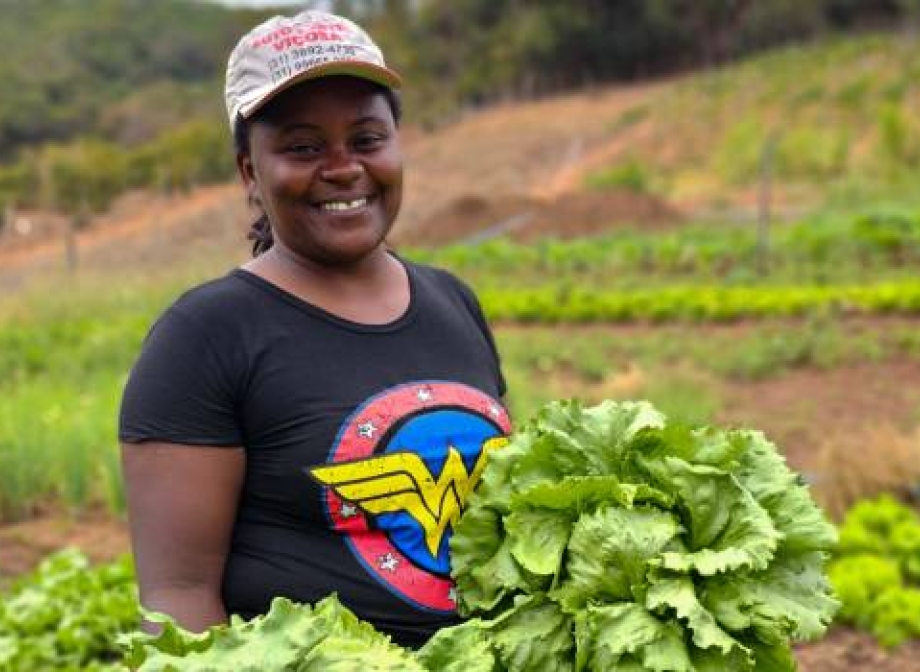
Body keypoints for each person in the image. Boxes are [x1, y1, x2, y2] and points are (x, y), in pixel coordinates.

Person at [119, 10, 510, 649]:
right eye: (303, 147)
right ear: (250, 170)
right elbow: (178, 598)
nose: (342, 167)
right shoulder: (204, 337)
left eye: (366, 139)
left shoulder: (452, 301)